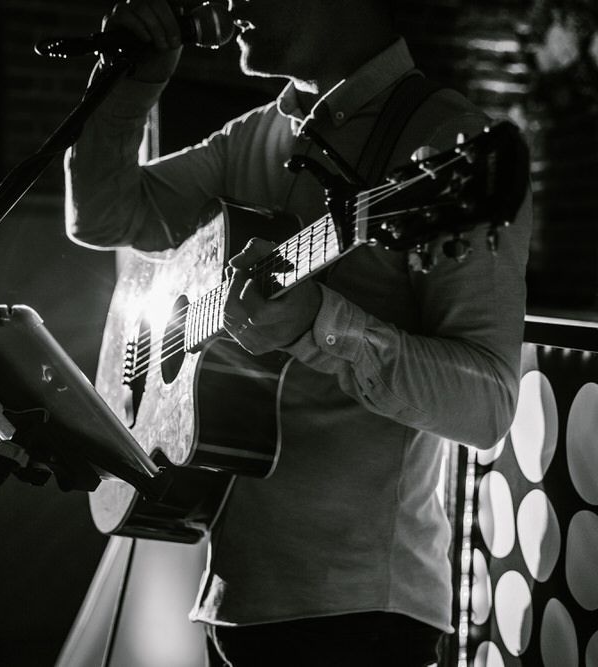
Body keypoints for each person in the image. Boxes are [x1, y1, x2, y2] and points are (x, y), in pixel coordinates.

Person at [64, 0, 532, 664]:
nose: (226, 5)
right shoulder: (255, 134)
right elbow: (103, 215)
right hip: (234, 592)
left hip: (358, 612)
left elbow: (487, 404)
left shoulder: (446, 140)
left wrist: (319, 323)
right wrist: (129, 90)